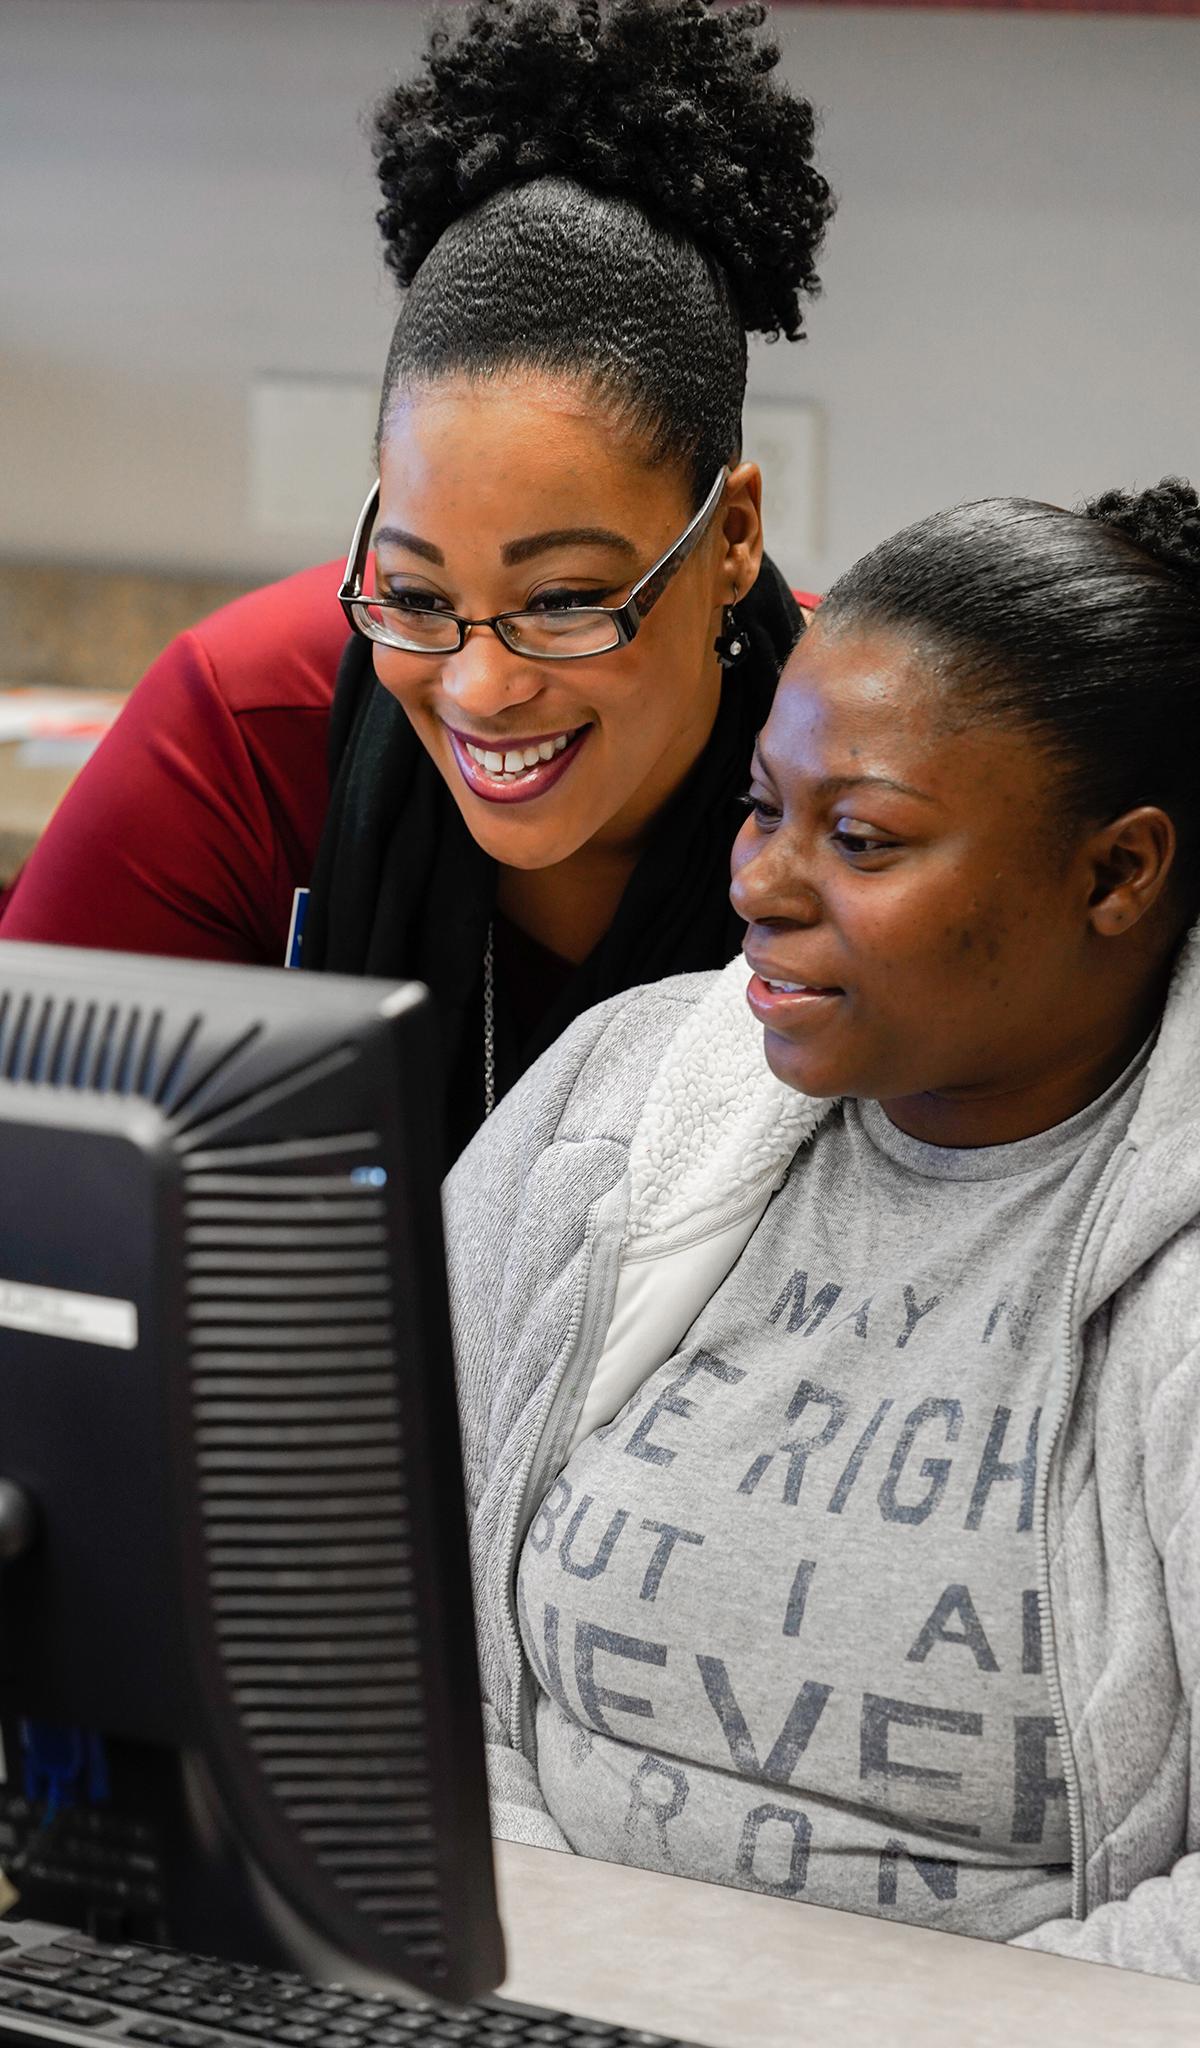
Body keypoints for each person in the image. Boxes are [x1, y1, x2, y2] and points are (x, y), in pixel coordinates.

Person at [444, 475, 1200, 1978]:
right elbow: (375, 1642)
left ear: (1116, 874)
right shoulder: (626, 1097)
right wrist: (550, 1978)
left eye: (860, 840)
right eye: (761, 808)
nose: (758, 885)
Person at [0, 0, 833, 1159]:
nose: (482, 686)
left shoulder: (885, 770)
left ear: (731, 535)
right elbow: (35, 1170)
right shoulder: (246, 731)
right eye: (419, 595)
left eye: (563, 600)